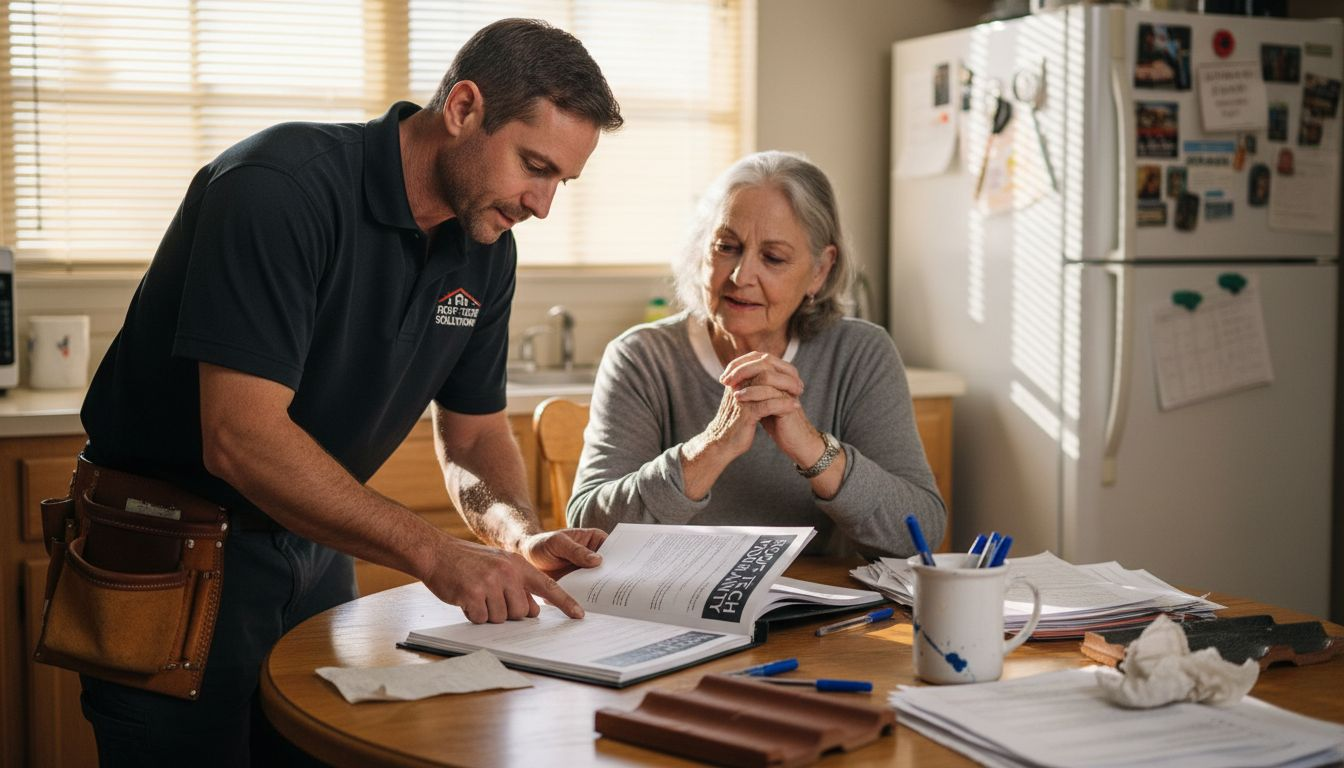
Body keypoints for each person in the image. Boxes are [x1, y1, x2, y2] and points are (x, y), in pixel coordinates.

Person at [72, 18, 621, 766]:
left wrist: (517, 533)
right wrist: (436, 554)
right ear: (463, 108)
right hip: (171, 548)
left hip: (316, 539)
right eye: (535, 166)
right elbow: (240, 437)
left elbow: (474, 434)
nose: (543, 203)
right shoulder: (277, 189)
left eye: (562, 181)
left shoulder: (485, 247)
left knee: (320, 751)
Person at [567, 151, 945, 558]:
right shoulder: (641, 357)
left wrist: (814, 449)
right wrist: (712, 446)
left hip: (815, 598)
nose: (741, 276)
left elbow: (919, 534)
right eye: (726, 247)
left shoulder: (860, 354)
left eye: (773, 258)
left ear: (820, 270)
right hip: (670, 597)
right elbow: (590, 530)